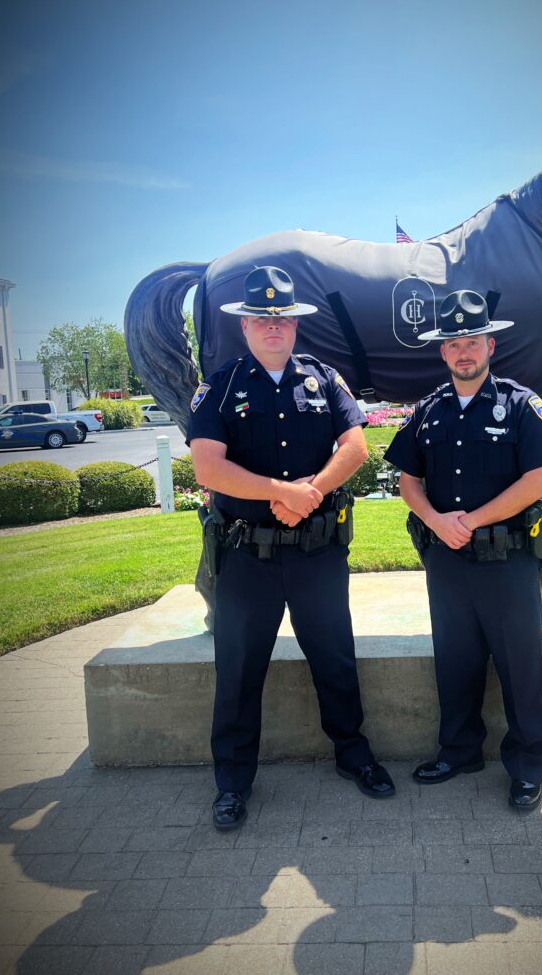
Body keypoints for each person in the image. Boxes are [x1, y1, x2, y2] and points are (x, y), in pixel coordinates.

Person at [187, 265, 395, 831]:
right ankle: (232, 783)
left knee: (335, 659)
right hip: (246, 558)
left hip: (316, 554)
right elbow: (208, 466)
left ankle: (354, 754)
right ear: (246, 325)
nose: (273, 327)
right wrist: (283, 492)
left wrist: (311, 494)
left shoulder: (325, 379)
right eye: (262, 319)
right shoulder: (222, 384)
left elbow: (355, 447)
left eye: (282, 318)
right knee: (237, 671)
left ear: (295, 324)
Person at [383, 290, 542, 808]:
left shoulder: (520, 404)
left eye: (472, 340)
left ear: (490, 345)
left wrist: (470, 521)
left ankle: (529, 764)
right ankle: (460, 750)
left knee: (521, 667)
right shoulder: (427, 411)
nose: (463, 351)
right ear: (442, 352)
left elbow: (537, 481)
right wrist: (436, 521)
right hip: (447, 560)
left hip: (507, 561)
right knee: (456, 661)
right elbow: (407, 480)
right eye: (453, 343)